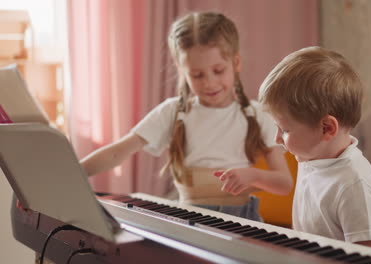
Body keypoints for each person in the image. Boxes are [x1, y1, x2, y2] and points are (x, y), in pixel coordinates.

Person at [80, 11, 293, 221]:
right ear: (182, 71)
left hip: (242, 222)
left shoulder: (257, 115)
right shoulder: (173, 112)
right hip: (190, 221)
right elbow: (118, 152)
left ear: (236, 63)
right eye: (197, 75)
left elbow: (284, 183)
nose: (209, 83)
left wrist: (253, 176)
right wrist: (74, 172)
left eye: (218, 70)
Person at [258, 46, 371, 251]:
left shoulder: (354, 186)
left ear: (327, 128)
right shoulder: (311, 158)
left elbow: (370, 257)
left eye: (285, 130)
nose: (277, 138)